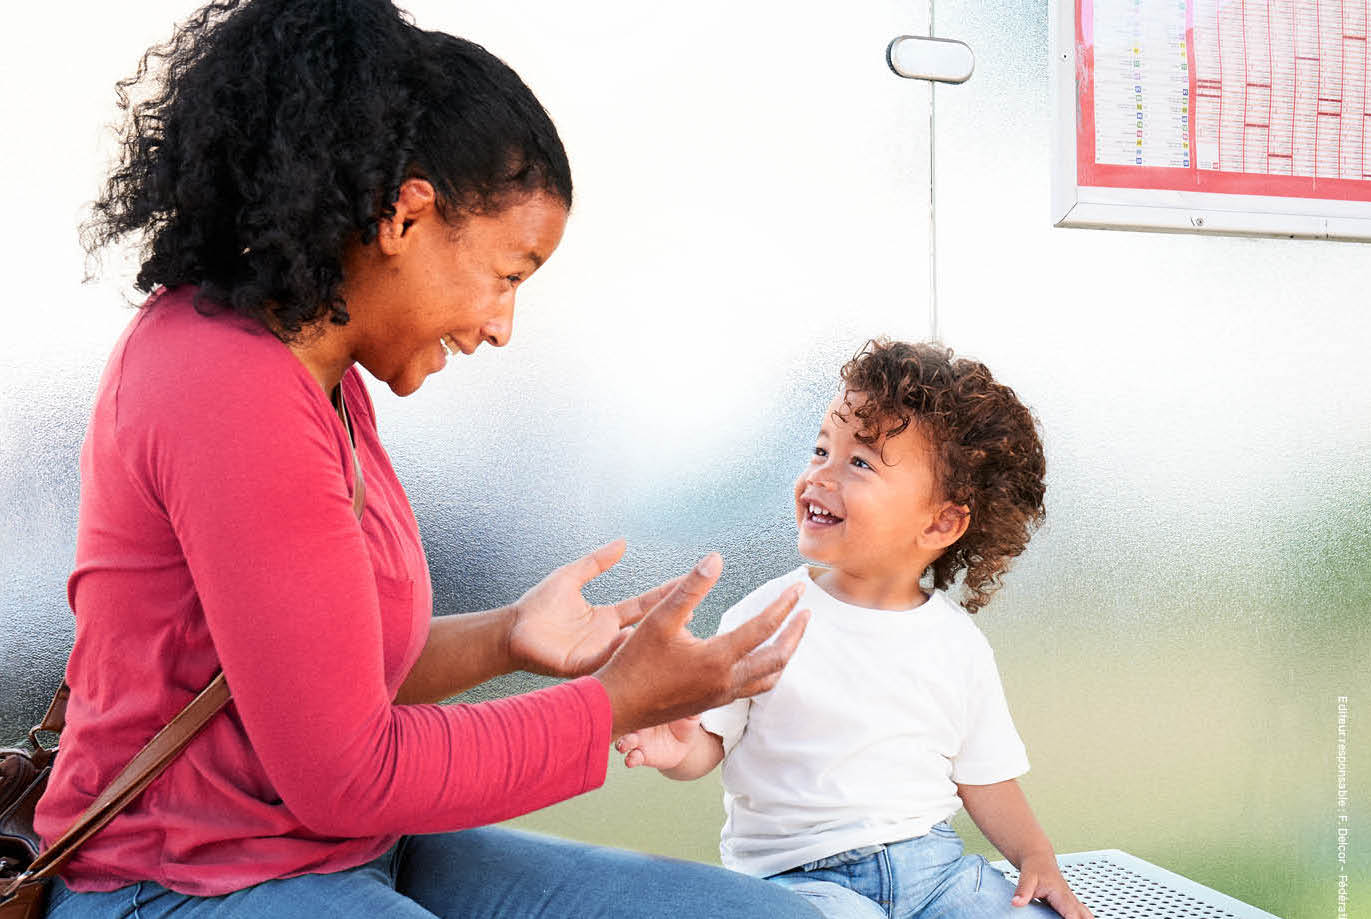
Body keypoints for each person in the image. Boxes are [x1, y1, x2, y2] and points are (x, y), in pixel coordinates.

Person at [35, 1, 823, 917]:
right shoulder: (225, 387)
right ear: (405, 216)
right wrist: (617, 702)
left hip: (349, 855)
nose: (500, 326)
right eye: (508, 274)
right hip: (185, 884)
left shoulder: (321, 373)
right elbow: (346, 774)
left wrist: (510, 635)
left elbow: (317, 671)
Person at [615, 340, 1096, 919]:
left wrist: (1036, 856)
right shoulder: (768, 616)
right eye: (821, 451)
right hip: (795, 882)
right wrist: (676, 746)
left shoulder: (956, 644)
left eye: (859, 462)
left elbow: (986, 778)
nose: (820, 474)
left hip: (936, 873)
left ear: (942, 521)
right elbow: (709, 743)